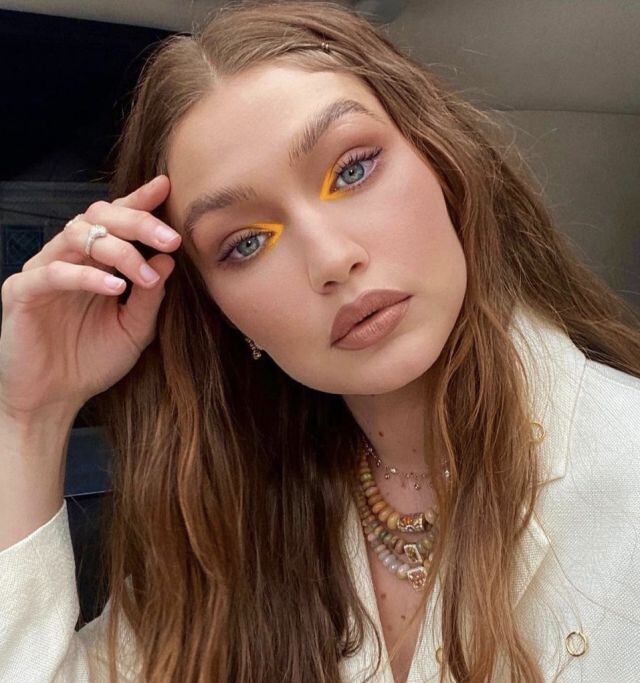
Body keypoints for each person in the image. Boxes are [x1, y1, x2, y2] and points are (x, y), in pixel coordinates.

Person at [1, 1, 639, 681]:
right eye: (247, 243)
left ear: (443, 163)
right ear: (221, 313)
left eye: (354, 170)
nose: (331, 258)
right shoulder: (228, 529)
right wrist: (29, 415)